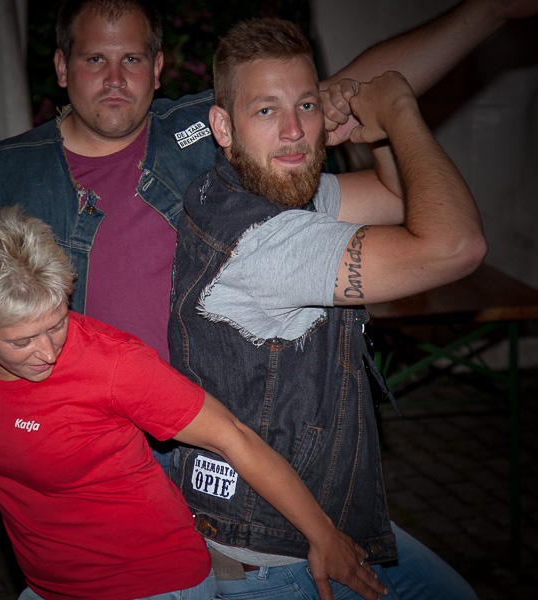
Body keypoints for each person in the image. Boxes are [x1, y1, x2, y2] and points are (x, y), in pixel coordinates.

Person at [0, 0, 534, 366]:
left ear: (157, 68)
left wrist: (486, 11)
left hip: (203, 436)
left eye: (131, 59)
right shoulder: (5, 170)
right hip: (84, 445)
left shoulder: (205, 131)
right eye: (95, 59)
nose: (115, 78)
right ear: (62, 68)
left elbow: (340, 90)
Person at [0, 206, 388, 600]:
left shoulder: (114, 364)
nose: (48, 352)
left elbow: (234, 437)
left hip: (152, 581)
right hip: (48, 584)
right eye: (22, 341)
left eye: (57, 323)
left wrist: (323, 535)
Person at [167, 17, 485, 600]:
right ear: (223, 126)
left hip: (319, 515)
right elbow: (456, 245)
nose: (294, 131)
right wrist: (400, 113)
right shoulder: (266, 242)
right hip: (276, 554)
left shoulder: (243, 189)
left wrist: (373, 135)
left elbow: (394, 198)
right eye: (267, 110)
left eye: (307, 106)